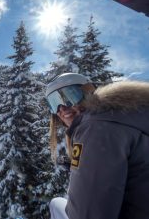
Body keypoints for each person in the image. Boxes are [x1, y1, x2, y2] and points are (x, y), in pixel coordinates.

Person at [46, 73, 149, 219]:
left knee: (55, 204)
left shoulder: (94, 128)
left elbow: (86, 214)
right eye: (54, 102)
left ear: (89, 93)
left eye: (69, 96)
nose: (61, 108)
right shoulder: (125, 119)